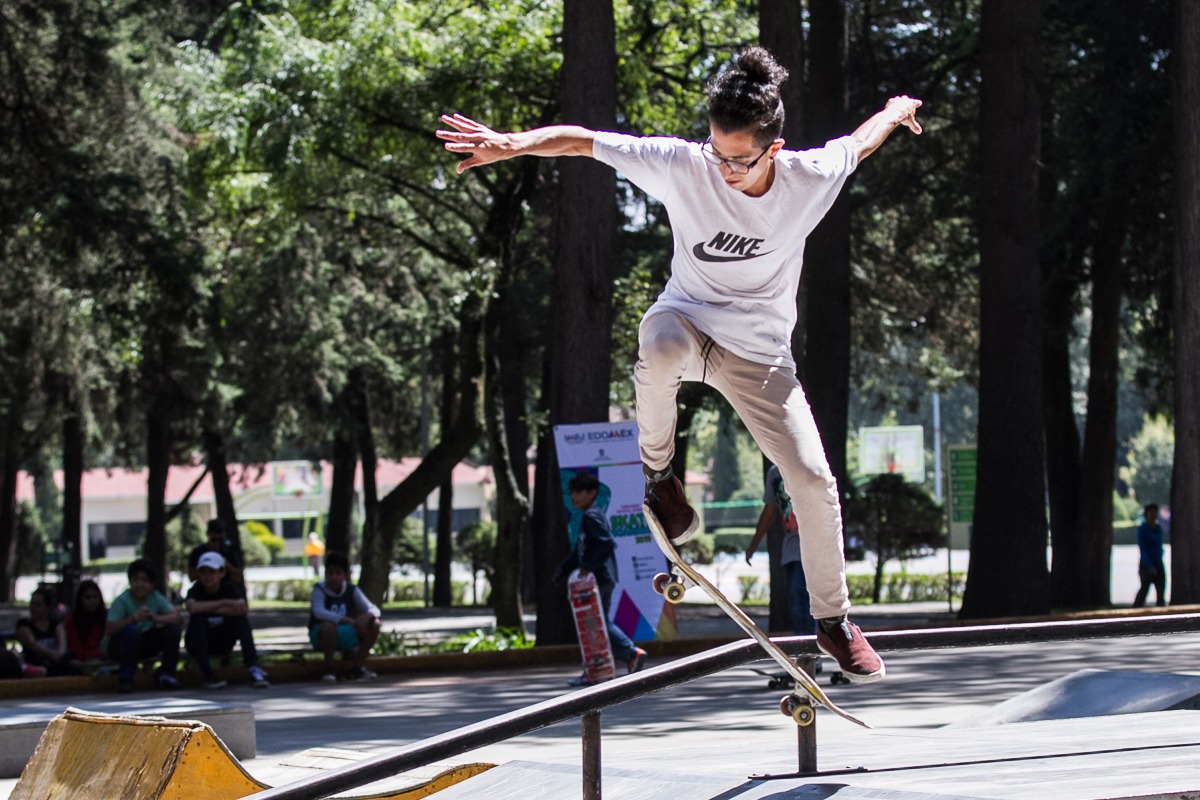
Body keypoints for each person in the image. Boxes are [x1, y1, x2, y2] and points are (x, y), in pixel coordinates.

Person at [437, 47, 921, 683]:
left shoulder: (810, 178)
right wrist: (512, 143)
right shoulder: (684, 165)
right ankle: (659, 475)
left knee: (812, 479)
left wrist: (895, 109)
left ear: (773, 151)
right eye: (715, 152)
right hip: (688, 322)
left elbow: (859, 142)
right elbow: (587, 141)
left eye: (738, 160)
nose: (722, 170)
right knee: (658, 346)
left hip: (760, 353)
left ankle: (834, 622)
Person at [555, 471, 648, 686]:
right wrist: (563, 569)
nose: (574, 497)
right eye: (572, 492)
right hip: (599, 577)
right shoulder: (589, 515)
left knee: (598, 624)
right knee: (597, 624)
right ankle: (600, 668)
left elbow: (606, 543)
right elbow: (581, 550)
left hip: (599, 578)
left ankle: (629, 652)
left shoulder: (592, 516)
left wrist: (588, 568)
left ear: (592, 493)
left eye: (579, 492)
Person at [746, 464, 817, 644]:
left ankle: (811, 651)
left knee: (802, 594)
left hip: (813, 540)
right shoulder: (774, 472)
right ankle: (804, 650)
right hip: (791, 542)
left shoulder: (806, 462)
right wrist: (754, 544)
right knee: (795, 599)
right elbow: (769, 511)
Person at [185, 551, 270, 689]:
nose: (207, 576)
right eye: (203, 572)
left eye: (211, 572)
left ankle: (253, 667)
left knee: (241, 620)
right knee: (198, 621)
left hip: (223, 641)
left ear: (221, 573)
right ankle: (207, 674)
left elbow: (242, 609)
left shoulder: (230, 587)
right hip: (199, 645)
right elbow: (193, 608)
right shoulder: (196, 589)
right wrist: (225, 603)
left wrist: (205, 608)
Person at [104, 558, 183, 693]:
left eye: (145, 580)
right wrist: (133, 618)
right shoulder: (122, 600)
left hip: (144, 643)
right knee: (131, 631)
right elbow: (110, 627)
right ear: (130, 582)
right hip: (120, 646)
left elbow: (176, 617)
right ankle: (126, 679)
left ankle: (166, 673)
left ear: (152, 584)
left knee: (173, 630)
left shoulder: (155, 597)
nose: (140, 584)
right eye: (136, 580)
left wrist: (154, 618)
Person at [309, 551, 382, 682]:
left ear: (345, 575)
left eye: (338, 573)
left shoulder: (351, 590)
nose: (333, 578)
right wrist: (344, 619)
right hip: (322, 635)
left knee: (375, 623)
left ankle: (357, 667)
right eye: (330, 573)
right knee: (327, 626)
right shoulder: (319, 589)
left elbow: (374, 608)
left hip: (346, 633)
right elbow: (318, 612)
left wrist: (368, 615)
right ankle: (329, 669)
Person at [15, 587, 74, 676]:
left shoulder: (55, 624)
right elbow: (31, 643)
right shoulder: (24, 624)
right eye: (32, 604)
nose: (33, 608)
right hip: (34, 665)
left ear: (47, 607)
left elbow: (62, 642)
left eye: (38, 605)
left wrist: (59, 654)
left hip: (55, 663)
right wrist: (52, 654)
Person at [64, 579, 108, 671]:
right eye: (88, 597)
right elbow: (75, 648)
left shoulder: (106, 618)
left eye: (95, 597)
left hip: (105, 660)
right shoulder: (72, 620)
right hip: (82, 661)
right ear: (80, 599)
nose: (92, 601)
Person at [188, 519, 244, 587]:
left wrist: (226, 565)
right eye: (214, 540)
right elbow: (191, 577)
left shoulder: (230, 551)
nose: (217, 543)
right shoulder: (198, 552)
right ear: (208, 534)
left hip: (226, 591)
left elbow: (238, 576)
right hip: (202, 591)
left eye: (220, 540)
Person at [1134, 503, 1167, 608]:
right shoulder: (1143, 529)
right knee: (1144, 590)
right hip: (1146, 565)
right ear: (1146, 515)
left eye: (1155, 513)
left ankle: (1162, 617)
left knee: (1161, 592)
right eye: (1151, 513)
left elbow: (1159, 545)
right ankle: (1134, 612)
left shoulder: (1158, 529)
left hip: (1158, 563)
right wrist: (1149, 566)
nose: (1153, 516)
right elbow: (1143, 549)